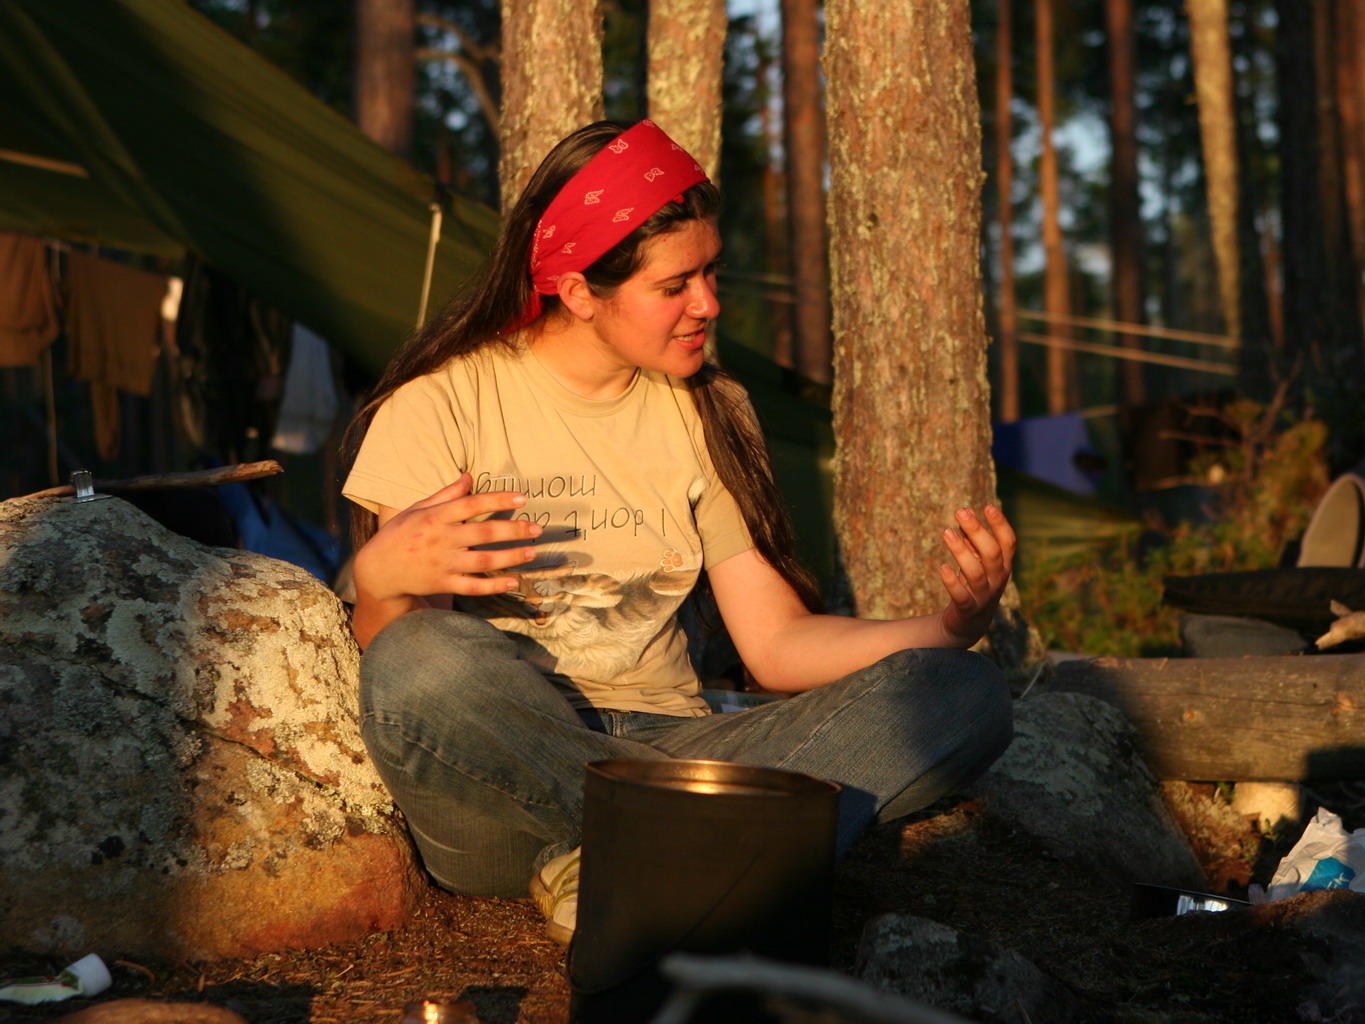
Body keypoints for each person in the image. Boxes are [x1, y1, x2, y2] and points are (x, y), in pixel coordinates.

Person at [340, 119, 1015, 948]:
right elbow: (411, 671)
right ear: (579, 291)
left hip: (678, 746)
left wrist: (949, 627)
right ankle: (716, 856)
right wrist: (382, 586)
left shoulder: (709, 407)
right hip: (502, 781)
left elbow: (776, 645)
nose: (708, 305)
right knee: (418, 658)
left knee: (963, 692)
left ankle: (626, 859)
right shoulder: (442, 407)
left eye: (711, 272)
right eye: (675, 285)